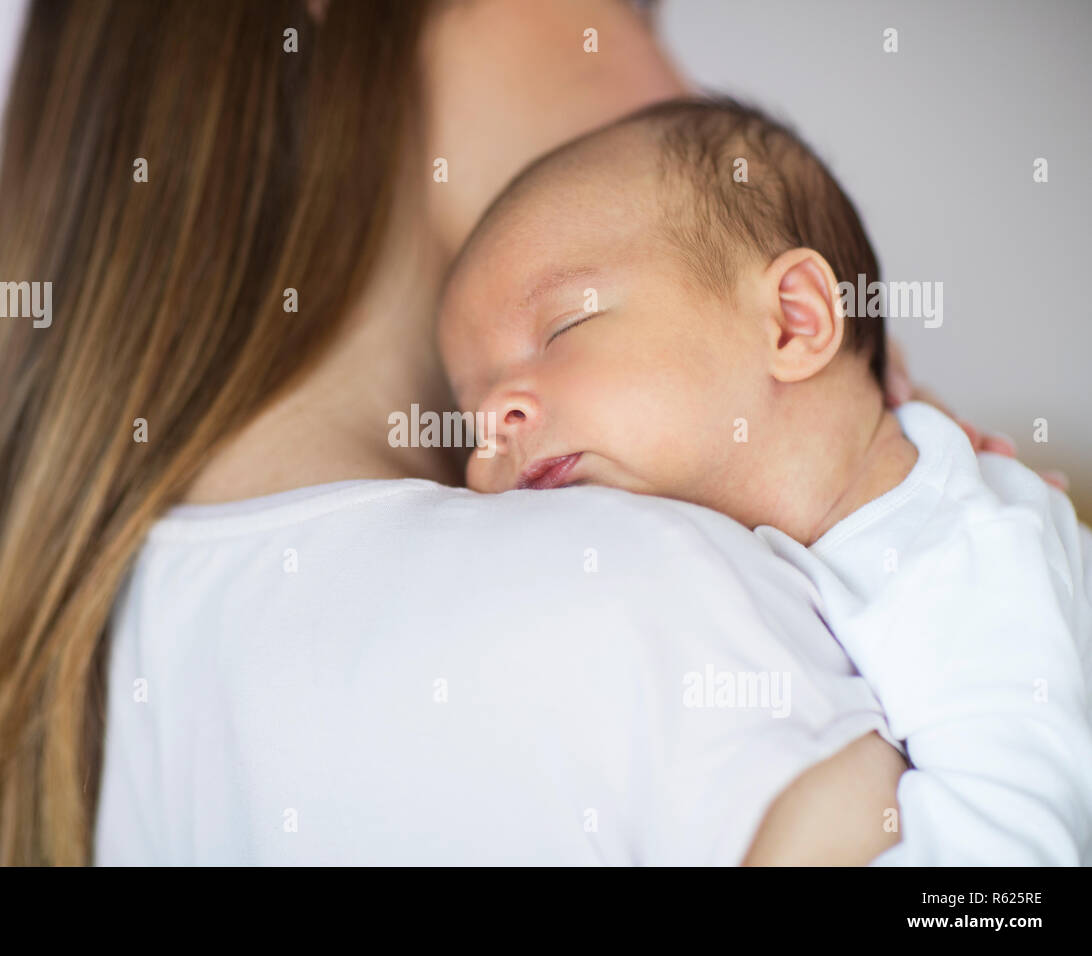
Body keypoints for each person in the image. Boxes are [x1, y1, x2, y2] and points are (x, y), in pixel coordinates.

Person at [0, 0, 1033, 865]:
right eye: (630, 12)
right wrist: (948, 540)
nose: (675, 85)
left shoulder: (112, 673)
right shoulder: (642, 592)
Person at [439, 96, 1092, 862]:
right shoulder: (770, 558)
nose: (493, 419)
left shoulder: (960, 553)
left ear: (792, 322)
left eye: (562, 327)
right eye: (468, 408)